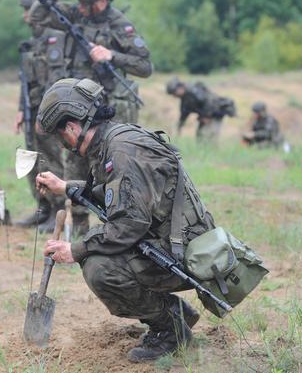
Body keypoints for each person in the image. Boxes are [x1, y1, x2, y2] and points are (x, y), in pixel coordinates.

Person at [35, 78, 213, 363]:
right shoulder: (114, 141)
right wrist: (65, 186)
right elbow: (114, 196)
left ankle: (170, 330)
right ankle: (174, 314)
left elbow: (129, 224)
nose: (63, 144)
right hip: (169, 238)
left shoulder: (121, 151)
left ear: (72, 127)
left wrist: (75, 249)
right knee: (99, 254)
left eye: (60, 135)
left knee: (99, 267)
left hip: (185, 251)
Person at [30, 0, 153, 232]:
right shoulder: (75, 14)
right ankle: (81, 231)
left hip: (104, 111)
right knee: (74, 165)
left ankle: (120, 227)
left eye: (87, 3)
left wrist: (111, 56)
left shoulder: (120, 26)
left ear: (103, 1)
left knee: (111, 168)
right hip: (75, 109)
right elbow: (36, 16)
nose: (81, 8)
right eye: (80, 2)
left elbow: (144, 66)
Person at [14, 0, 68, 231]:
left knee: (50, 159)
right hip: (32, 106)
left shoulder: (54, 37)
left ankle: (57, 210)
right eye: (26, 10)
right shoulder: (33, 41)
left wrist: (47, 114)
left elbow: (54, 81)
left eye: (28, 9)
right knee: (31, 158)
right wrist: (21, 109)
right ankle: (42, 207)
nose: (26, 15)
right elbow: (26, 80)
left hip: (48, 109)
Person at [165, 77, 236, 143]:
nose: (174, 96)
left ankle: (213, 153)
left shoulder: (194, 91)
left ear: (180, 88)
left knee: (211, 136)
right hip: (205, 115)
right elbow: (184, 113)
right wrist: (179, 127)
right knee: (200, 136)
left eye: (174, 93)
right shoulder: (185, 98)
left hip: (215, 112)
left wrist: (207, 116)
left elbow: (209, 101)